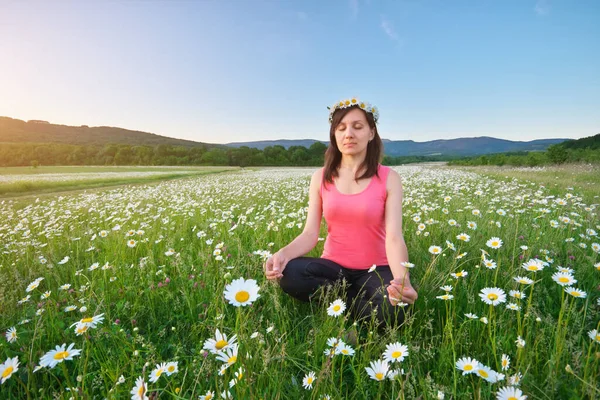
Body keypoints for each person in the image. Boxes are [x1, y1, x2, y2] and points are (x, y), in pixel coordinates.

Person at [264, 97, 418, 329]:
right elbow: (310, 234)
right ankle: (356, 303)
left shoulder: (389, 178)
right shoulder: (321, 177)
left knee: (395, 308)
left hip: (376, 268)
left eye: (358, 127)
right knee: (290, 274)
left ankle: (345, 306)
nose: (349, 134)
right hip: (333, 270)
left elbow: (394, 237)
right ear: (334, 135)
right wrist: (283, 254)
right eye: (341, 128)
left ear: (371, 133)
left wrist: (401, 281)